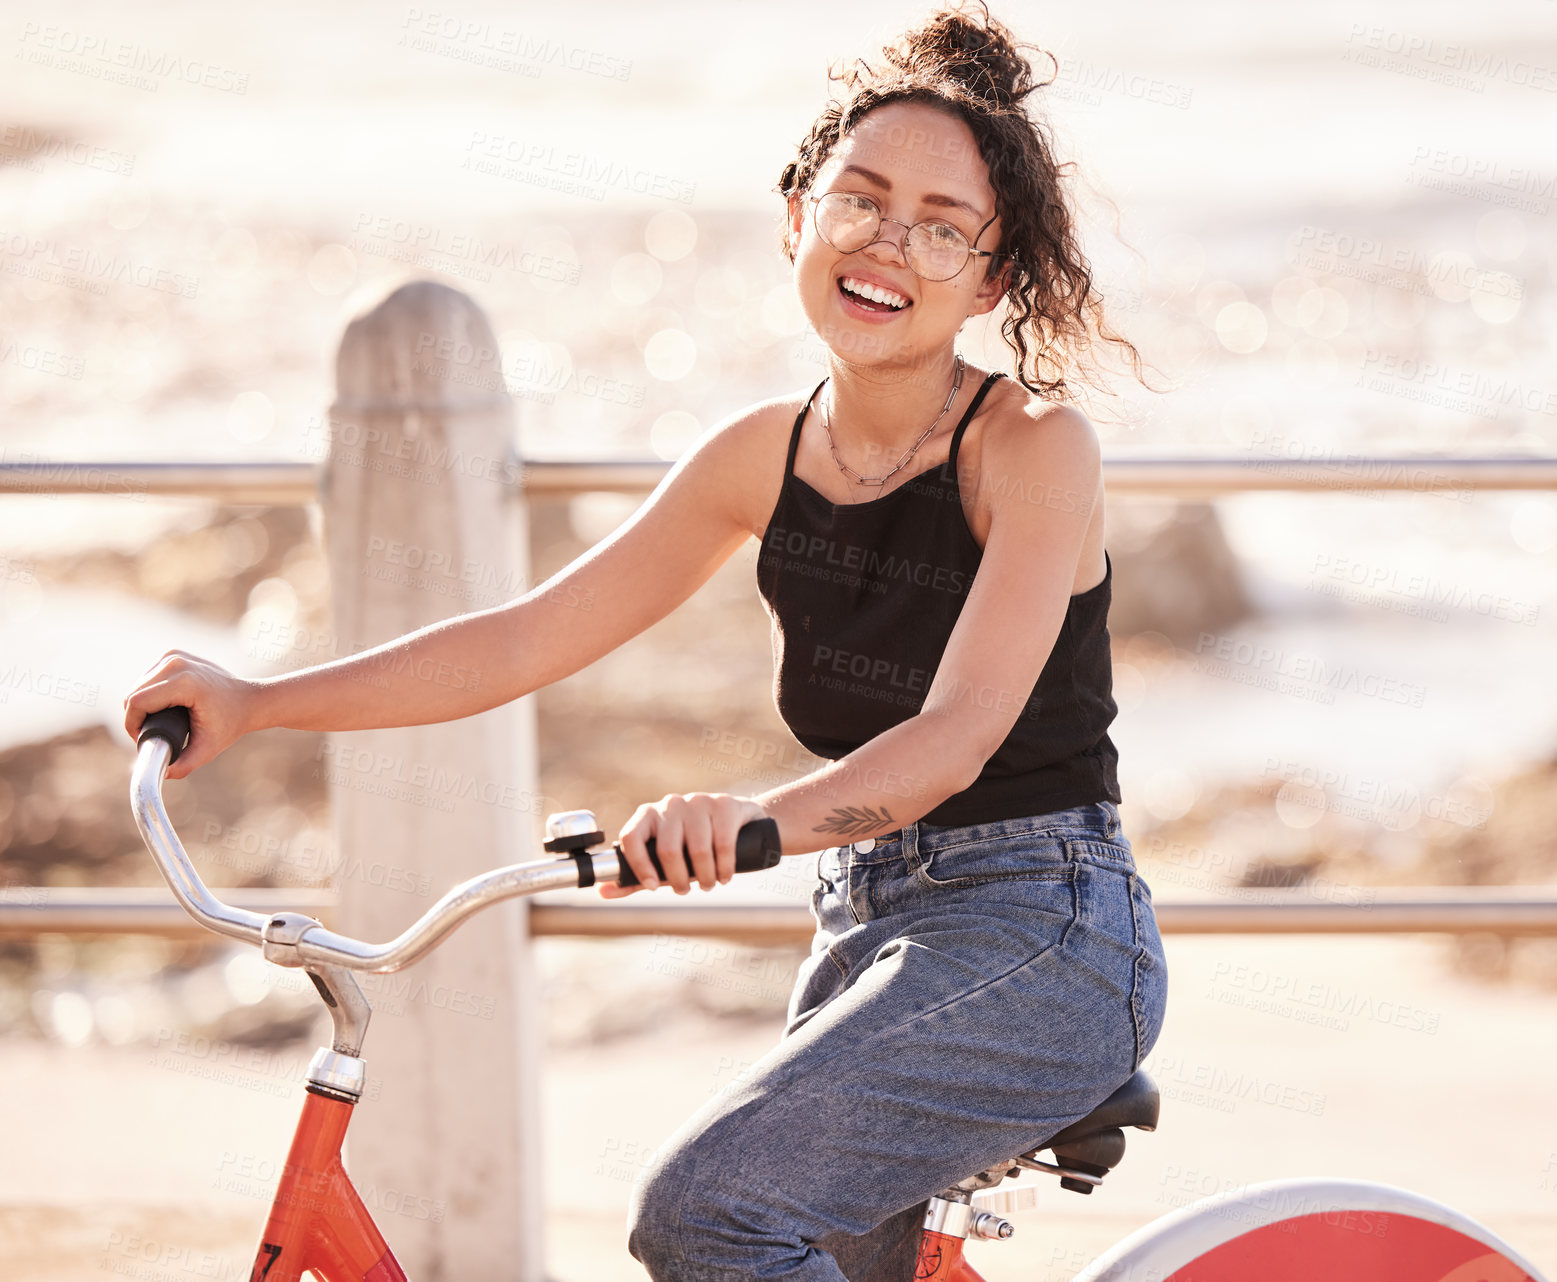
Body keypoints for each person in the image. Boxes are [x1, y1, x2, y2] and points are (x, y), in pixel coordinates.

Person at [124, 4, 1166, 1278]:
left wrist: (752, 819)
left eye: (943, 227)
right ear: (797, 216)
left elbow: (954, 738)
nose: (890, 241)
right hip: (868, 926)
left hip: (1047, 932)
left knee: (704, 1214)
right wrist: (258, 699)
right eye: (860, 199)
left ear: (991, 281)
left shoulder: (1034, 450)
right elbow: (522, 638)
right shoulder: (755, 458)